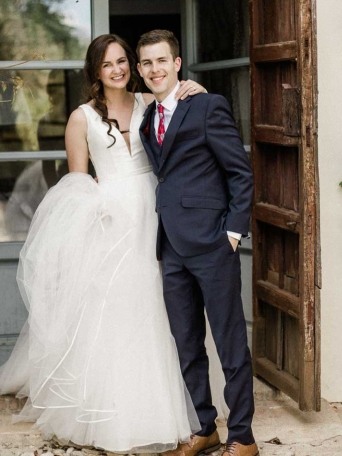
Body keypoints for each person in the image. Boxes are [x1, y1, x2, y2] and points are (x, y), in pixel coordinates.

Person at [0, 34, 216, 453]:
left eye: (124, 61)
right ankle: (116, 416)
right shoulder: (82, 118)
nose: (118, 69)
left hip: (157, 214)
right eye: (108, 64)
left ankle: (181, 411)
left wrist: (194, 87)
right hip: (112, 221)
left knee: (164, 308)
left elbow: (185, 110)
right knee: (118, 310)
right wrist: (96, 216)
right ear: (95, 70)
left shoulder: (151, 101)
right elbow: (75, 183)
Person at [137, 30, 257, 456]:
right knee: (187, 343)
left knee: (229, 342)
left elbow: (240, 174)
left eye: (161, 61)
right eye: (147, 63)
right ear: (140, 70)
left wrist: (231, 232)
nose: (155, 69)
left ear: (177, 63)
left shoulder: (207, 106)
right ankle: (205, 427)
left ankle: (242, 436)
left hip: (211, 244)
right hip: (170, 246)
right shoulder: (148, 119)